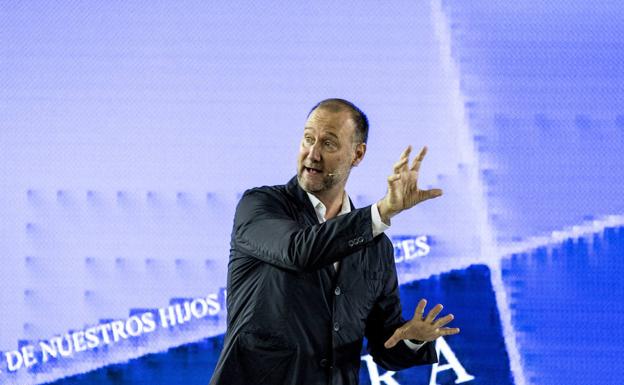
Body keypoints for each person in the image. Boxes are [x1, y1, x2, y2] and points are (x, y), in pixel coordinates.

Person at [209, 99, 460, 385]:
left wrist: (412, 340)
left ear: (357, 154)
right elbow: (299, 250)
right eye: (308, 139)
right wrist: (382, 212)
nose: (312, 154)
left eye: (328, 144)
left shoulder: (376, 248)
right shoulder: (260, 205)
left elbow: (385, 347)